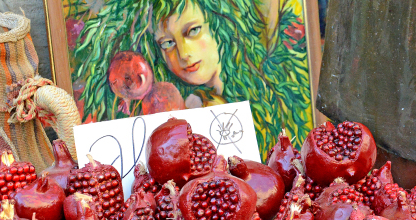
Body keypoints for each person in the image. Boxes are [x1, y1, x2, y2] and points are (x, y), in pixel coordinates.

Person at [73, 0, 313, 159]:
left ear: (220, 23)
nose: (184, 53)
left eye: (193, 31)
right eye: (167, 43)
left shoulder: (271, 76)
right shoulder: (179, 107)